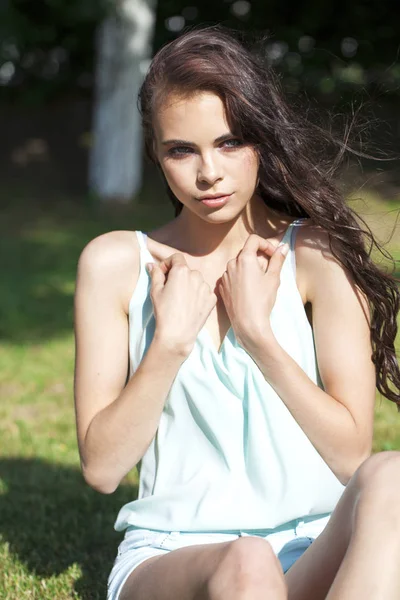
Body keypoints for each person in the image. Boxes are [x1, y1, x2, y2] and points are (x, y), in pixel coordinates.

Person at [73, 25, 400, 600]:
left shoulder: (318, 255)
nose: (208, 173)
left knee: (393, 478)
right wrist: (168, 343)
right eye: (182, 150)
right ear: (157, 153)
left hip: (310, 552)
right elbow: (102, 469)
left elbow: (352, 458)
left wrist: (259, 337)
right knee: (248, 562)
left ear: (259, 140)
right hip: (175, 552)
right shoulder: (116, 264)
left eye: (229, 143)